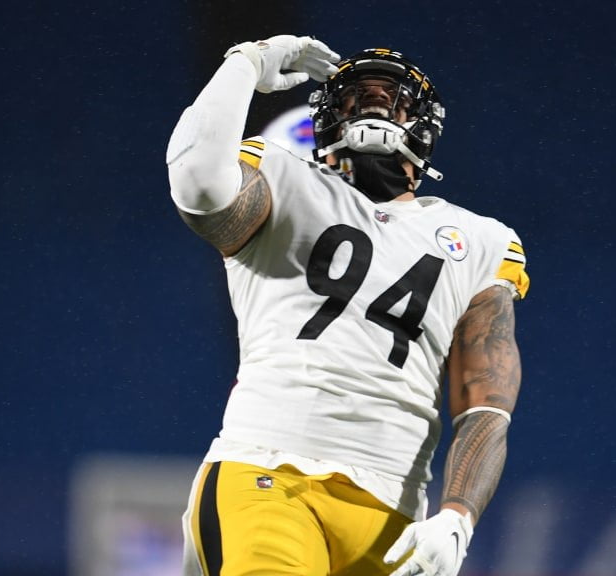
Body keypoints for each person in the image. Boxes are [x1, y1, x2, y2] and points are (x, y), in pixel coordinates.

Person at [166, 35, 530, 576]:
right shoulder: (284, 180)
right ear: (328, 117)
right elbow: (196, 179)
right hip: (269, 472)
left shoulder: (481, 241)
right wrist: (246, 62)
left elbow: (486, 403)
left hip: (392, 513)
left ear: (425, 124)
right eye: (358, 97)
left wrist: (458, 516)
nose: (375, 103)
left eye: (393, 98)